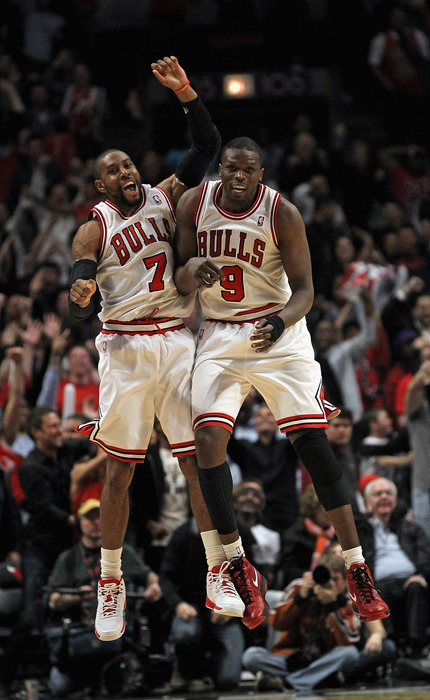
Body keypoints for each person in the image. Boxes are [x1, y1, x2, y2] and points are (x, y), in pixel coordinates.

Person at [68, 55, 250, 644]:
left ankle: (218, 569)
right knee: (119, 473)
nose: (125, 171)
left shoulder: (165, 195)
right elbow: (76, 302)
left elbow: (207, 145)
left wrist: (186, 93)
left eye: (128, 164)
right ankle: (111, 581)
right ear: (101, 184)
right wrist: (80, 292)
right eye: (114, 168)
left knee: (195, 459)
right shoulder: (92, 227)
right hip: (123, 348)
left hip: (174, 338)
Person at [174, 135, 390, 627]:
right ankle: (237, 564)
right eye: (230, 167)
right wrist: (191, 269)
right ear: (221, 168)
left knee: (313, 445)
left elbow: (308, 291)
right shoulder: (194, 202)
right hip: (222, 332)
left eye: (248, 169)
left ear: (260, 173)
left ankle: (357, 568)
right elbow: (180, 278)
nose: (238, 176)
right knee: (207, 438)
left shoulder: (282, 213)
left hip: (278, 331)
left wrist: (279, 321)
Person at [46, 498, 162, 697]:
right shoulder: (69, 558)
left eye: (99, 518)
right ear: (79, 522)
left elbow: (149, 576)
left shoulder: (123, 553)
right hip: (80, 635)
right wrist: (79, 597)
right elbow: (53, 599)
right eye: (89, 518)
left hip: (118, 636)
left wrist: (153, 587)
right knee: (59, 687)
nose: (96, 523)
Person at [242, 549, 396, 694]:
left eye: (335, 579)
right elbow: (276, 623)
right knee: (251, 656)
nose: (328, 582)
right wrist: (300, 599)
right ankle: (317, 679)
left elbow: (351, 638)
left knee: (349, 654)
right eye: (324, 576)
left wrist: (334, 605)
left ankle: (288, 682)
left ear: (345, 581)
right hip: (296, 659)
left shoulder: (350, 599)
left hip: (330, 659)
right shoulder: (299, 586)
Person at [158, 515, 255, 693]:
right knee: (184, 633)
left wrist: (235, 604)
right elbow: (166, 577)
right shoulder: (182, 534)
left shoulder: (240, 531)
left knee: (229, 680)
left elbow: (254, 576)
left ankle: (209, 667)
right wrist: (178, 604)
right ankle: (189, 672)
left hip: (226, 609)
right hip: (191, 604)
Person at [358, 477, 430, 660]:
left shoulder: (411, 528)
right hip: (377, 584)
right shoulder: (362, 531)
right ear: (367, 502)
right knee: (376, 593)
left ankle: (416, 650)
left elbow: (425, 556)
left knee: (417, 588)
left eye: (388, 493)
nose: (384, 497)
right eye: (378, 494)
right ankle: (389, 648)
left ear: (395, 499)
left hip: (410, 582)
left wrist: (421, 575)